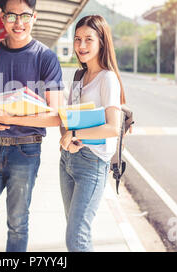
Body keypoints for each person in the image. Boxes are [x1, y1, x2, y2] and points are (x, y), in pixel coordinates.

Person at [0, 0, 64, 252]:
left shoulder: (45, 57)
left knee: (18, 223)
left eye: (24, 15)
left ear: (34, 17)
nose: (18, 22)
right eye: (11, 16)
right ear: (2, 18)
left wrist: (13, 117)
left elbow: (56, 116)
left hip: (27, 150)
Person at [59, 15, 126, 252]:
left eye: (89, 39)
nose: (81, 46)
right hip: (68, 160)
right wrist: (67, 136)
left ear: (102, 42)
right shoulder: (79, 76)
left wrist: (75, 133)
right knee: (75, 231)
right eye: (77, 39)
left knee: (77, 237)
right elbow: (69, 119)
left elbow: (112, 128)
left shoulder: (107, 79)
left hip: (92, 163)